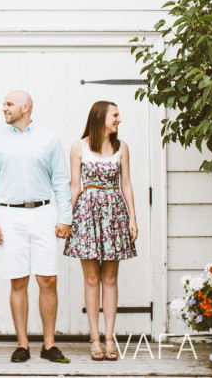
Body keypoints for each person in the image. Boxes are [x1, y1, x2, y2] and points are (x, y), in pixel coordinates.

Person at [0, 90, 72, 364]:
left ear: (26, 107)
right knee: (18, 279)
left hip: (43, 213)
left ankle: (49, 345)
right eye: (4, 104)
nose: (4, 108)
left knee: (48, 279)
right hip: (9, 216)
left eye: (9, 104)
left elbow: (60, 181)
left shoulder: (49, 139)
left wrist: (65, 216)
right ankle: (22, 344)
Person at [63, 100, 138, 361]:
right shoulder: (78, 147)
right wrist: (66, 220)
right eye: (115, 115)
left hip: (115, 212)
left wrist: (132, 218)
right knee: (92, 278)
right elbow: (74, 187)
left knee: (110, 278)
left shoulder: (122, 147)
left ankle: (109, 337)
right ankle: (94, 338)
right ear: (100, 117)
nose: (119, 119)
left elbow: (126, 184)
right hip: (87, 213)